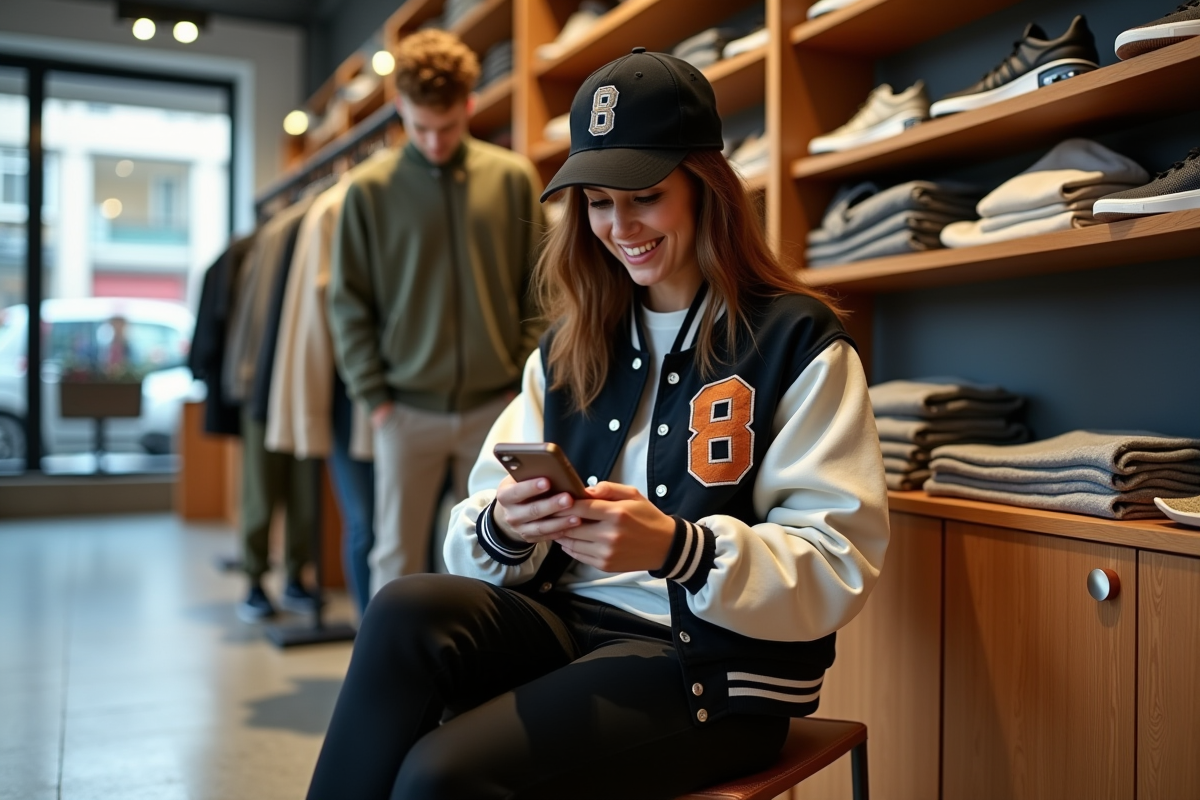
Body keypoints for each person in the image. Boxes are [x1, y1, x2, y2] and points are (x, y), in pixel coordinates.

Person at [308, 48, 890, 799]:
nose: (621, 227)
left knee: (437, 775)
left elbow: (838, 558)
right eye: (597, 202)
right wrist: (507, 528)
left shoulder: (794, 340)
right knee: (403, 609)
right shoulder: (570, 345)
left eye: (644, 196)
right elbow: (472, 534)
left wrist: (677, 548)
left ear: (705, 187)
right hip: (569, 630)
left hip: (712, 671)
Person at [328, 30, 546, 597]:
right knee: (396, 553)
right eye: (419, 126)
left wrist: (522, 383)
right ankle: (389, 679)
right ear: (399, 107)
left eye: (446, 127)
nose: (433, 141)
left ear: (469, 105)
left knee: (492, 554)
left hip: (495, 410)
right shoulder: (367, 190)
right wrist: (375, 399)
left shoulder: (512, 177)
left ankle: (473, 675)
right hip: (404, 411)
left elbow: (538, 289)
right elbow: (348, 302)